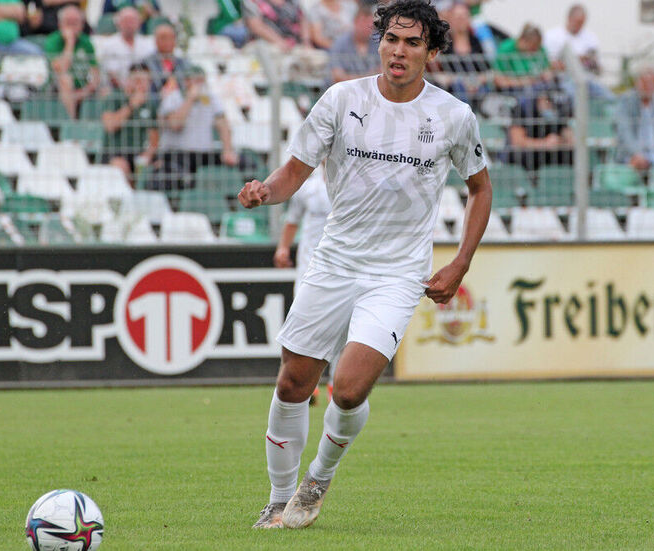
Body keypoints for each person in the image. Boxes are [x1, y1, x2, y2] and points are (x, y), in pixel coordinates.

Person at [240, 0, 491, 530]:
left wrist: (461, 263)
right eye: (391, 39)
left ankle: (318, 479)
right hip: (334, 262)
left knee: (350, 388)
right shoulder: (341, 99)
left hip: (396, 274)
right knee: (292, 384)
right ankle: (278, 499)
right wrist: (265, 192)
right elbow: (294, 172)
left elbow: (480, 188)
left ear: (431, 52)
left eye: (413, 42)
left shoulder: (453, 116)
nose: (399, 51)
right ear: (380, 42)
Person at [273, 168, 334, 404]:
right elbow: (292, 220)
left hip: (341, 269)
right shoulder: (308, 189)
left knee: (344, 328)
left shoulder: (357, 185)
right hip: (309, 269)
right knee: (304, 326)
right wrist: (283, 248)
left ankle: (335, 384)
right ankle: (307, 385)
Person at [152, 65, 240, 190]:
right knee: (177, 175)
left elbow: (223, 124)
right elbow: (175, 124)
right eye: (196, 80)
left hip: (203, 154)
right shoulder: (173, 98)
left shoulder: (211, 99)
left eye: (202, 80)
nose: (200, 85)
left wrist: (227, 150)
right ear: (186, 81)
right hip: (177, 154)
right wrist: (190, 99)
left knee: (243, 163)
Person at [100, 62, 159, 182]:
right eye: (137, 80)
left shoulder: (150, 105)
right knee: (120, 166)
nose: (141, 85)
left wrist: (147, 155)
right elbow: (110, 126)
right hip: (115, 153)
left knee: (160, 167)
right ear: (129, 80)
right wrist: (132, 105)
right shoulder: (115, 98)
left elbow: (154, 138)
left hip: (139, 154)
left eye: (146, 81)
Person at [43, 5, 99, 119]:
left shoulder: (86, 42)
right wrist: (70, 43)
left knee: (107, 92)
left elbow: (95, 74)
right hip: (56, 88)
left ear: (82, 25)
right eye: (68, 22)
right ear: (60, 24)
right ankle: (71, 124)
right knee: (65, 80)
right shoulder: (52, 41)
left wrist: (82, 93)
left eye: (75, 23)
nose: (72, 27)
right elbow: (60, 69)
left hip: (82, 88)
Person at [435, 1, 489, 108]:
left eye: (464, 16)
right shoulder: (442, 42)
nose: (461, 20)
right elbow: (436, 72)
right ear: (450, 19)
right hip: (451, 89)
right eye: (457, 16)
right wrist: (458, 81)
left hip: (476, 87)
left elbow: (486, 71)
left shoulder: (477, 42)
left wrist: (474, 82)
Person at [507, 91, 573, 171]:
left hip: (550, 155)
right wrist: (545, 143)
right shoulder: (523, 109)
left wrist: (561, 141)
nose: (549, 106)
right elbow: (517, 141)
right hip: (528, 157)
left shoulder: (558, 110)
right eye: (547, 102)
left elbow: (568, 135)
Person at [96, 7, 156, 90]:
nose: (129, 25)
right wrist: (127, 89)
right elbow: (111, 73)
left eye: (132, 21)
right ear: (118, 23)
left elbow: (151, 72)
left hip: (144, 90)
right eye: (126, 21)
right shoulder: (108, 44)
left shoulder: (149, 44)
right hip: (117, 90)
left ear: (139, 23)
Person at [493, 23, 552, 94]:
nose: (534, 52)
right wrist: (524, 82)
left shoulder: (540, 49)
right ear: (523, 40)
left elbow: (547, 71)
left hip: (536, 87)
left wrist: (546, 75)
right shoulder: (506, 49)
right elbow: (499, 80)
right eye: (532, 48)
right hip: (514, 90)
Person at [329, 3, 379, 83]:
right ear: (355, 22)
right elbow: (337, 77)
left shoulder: (378, 43)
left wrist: (350, 78)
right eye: (363, 22)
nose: (367, 26)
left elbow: (383, 73)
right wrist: (368, 77)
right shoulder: (340, 43)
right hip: (345, 89)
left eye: (369, 23)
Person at [543, 4, 599, 74]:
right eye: (577, 22)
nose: (580, 26)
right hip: (561, 74)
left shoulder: (591, 38)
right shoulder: (552, 36)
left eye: (582, 23)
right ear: (569, 18)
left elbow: (595, 62)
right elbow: (546, 61)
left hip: (585, 74)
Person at [142, 22, 190, 93]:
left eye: (171, 38)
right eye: (163, 38)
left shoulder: (184, 62)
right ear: (156, 40)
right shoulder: (145, 63)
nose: (168, 41)